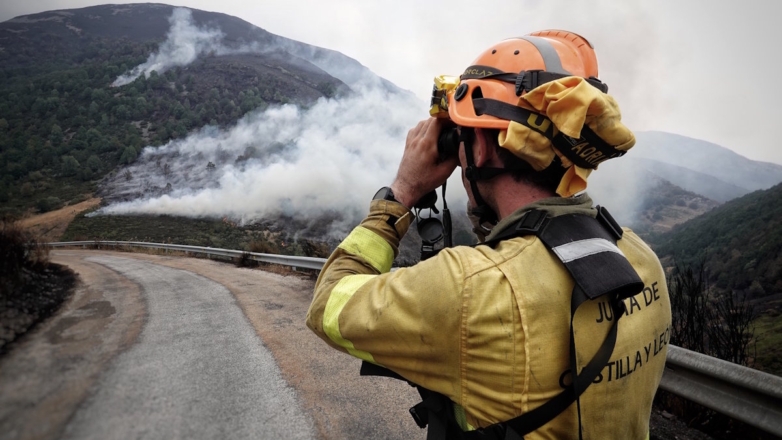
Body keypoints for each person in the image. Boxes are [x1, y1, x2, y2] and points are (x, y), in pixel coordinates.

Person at [306, 30, 672, 440]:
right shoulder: (642, 259)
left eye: (463, 139)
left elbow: (326, 304)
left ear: (479, 150)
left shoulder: (472, 288)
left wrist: (402, 193)